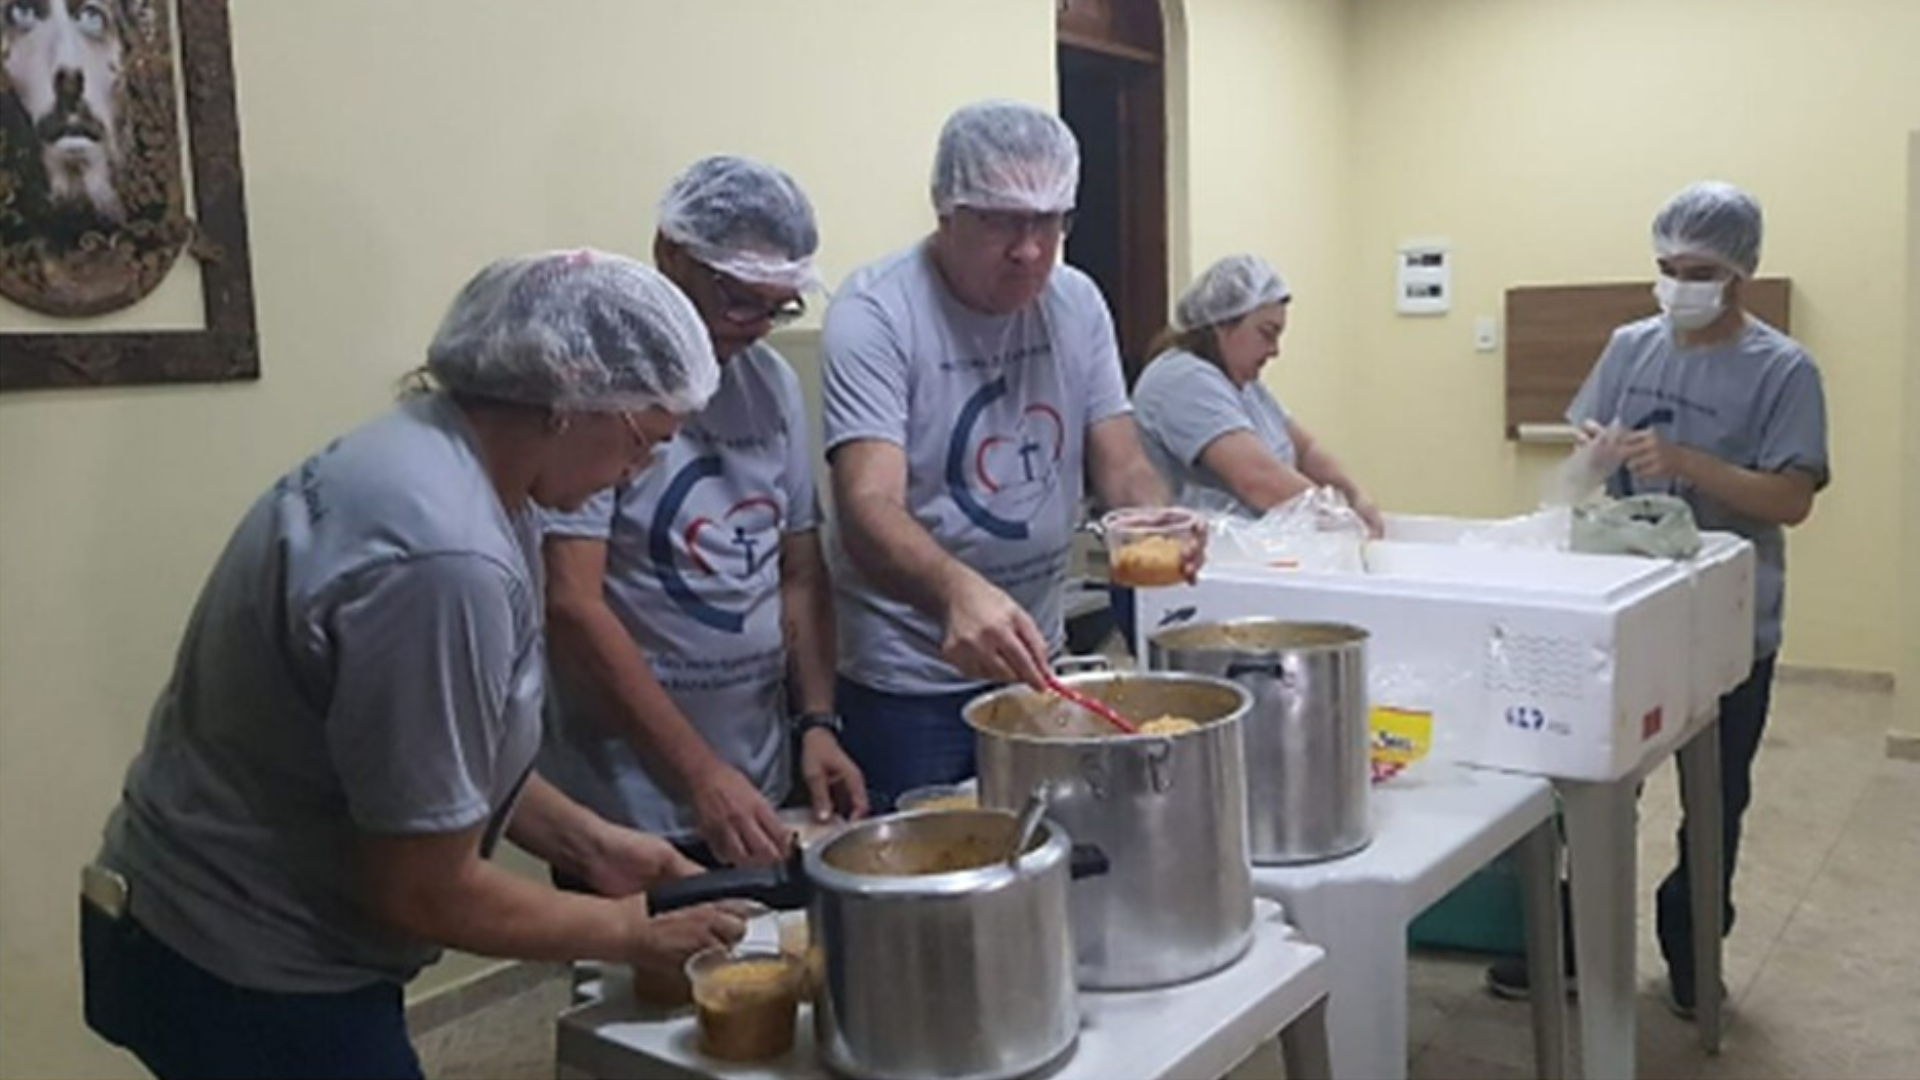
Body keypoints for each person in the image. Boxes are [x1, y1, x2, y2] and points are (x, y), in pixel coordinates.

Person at [80, 250, 749, 1080]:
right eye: (642, 441)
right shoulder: (444, 557)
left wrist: (594, 844)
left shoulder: (442, 455)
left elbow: (423, 760)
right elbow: (423, 891)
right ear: (571, 401)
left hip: (182, 916)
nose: (635, 472)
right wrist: (627, 930)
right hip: (241, 962)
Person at [1485, 180, 1829, 1018]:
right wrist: (1589, 468)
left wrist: (1690, 464)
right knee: (1602, 783)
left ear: (1741, 271)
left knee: (1716, 794)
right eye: (1667, 266)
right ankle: (1571, 940)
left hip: (1729, 620)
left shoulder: (1782, 370)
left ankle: (1692, 951)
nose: (1680, 284)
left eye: (1698, 268)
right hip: (1627, 606)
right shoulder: (1633, 345)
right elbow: (1588, 455)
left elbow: (1791, 498)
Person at [822, 99, 1192, 808]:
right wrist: (956, 590)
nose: (1028, 249)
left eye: (1048, 222)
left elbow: (1121, 463)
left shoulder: (1076, 303)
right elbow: (867, 503)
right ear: (945, 212)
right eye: (1000, 221)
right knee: (939, 882)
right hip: (911, 678)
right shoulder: (876, 314)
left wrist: (1160, 526)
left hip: (1036, 657)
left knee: (1054, 853)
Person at [539, 157, 867, 872]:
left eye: (776, 307)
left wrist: (816, 720)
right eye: (736, 300)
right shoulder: (600, 385)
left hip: (758, 771)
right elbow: (572, 604)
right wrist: (697, 775)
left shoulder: (770, 383)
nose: (753, 327)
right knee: (642, 978)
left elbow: (799, 570)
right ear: (670, 254)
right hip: (630, 797)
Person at [1133, 254, 1382, 531]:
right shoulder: (1182, 380)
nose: (1275, 351)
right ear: (1223, 324)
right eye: (1267, 333)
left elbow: (1306, 450)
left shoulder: (1243, 385)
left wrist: (1354, 495)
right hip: (1201, 561)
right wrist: (1341, 521)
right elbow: (1259, 480)